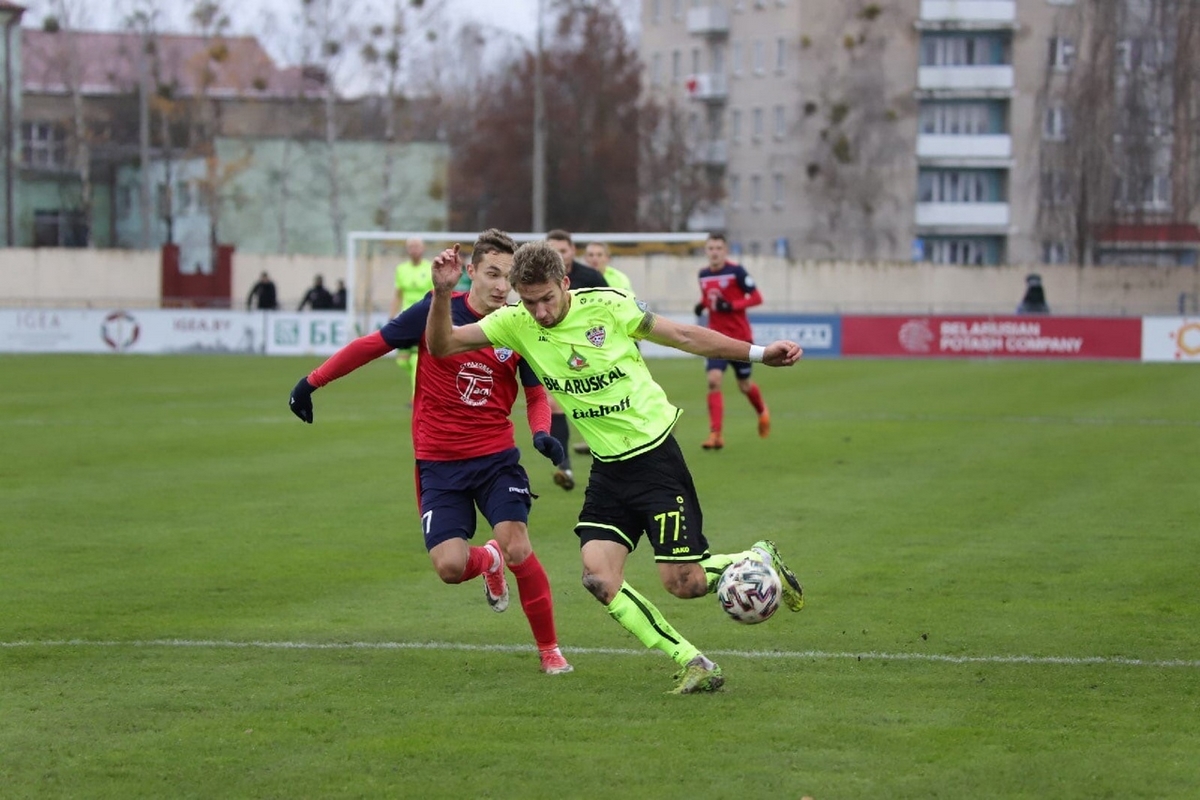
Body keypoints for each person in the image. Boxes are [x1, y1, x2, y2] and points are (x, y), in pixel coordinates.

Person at [426, 240, 806, 695]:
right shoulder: (514, 322)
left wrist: (760, 354)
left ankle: (758, 556)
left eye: (547, 298)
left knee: (682, 583)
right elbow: (443, 344)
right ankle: (693, 661)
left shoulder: (608, 306)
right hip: (608, 470)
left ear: (566, 283)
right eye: (529, 302)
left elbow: (683, 335)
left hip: (654, 458)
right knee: (598, 577)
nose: (541, 312)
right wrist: (443, 294)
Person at [288, 229, 573, 676]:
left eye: (508, 277)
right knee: (450, 566)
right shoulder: (435, 310)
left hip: (496, 459)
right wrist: (312, 382)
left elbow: (535, 394)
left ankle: (550, 650)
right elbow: (372, 345)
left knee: (518, 543)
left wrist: (540, 433)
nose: (502, 286)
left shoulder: (520, 324)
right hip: (438, 463)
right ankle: (489, 560)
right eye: (493, 274)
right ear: (471, 272)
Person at [543, 229, 608, 489]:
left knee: (599, 410)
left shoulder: (591, 277)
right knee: (554, 405)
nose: (559, 255)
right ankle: (565, 468)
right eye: (553, 250)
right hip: (556, 355)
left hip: (591, 355)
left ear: (572, 251)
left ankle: (612, 460)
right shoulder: (539, 279)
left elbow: (608, 314)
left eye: (563, 250)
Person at [694, 233, 770, 451]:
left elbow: (756, 297)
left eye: (718, 248)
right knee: (713, 380)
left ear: (725, 251)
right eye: (710, 248)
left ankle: (762, 411)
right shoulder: (703, 275)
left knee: (744, 386)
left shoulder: (737, 271)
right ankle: (715, 434)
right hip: (715, 338)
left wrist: (732, 305)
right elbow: (710, 298)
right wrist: (702, 305)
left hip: (740, 339)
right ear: (706, 251)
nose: (714, 252)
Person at [389, 237, 436, 398]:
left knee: (415, 359)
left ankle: (417, 395)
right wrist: (391, 315)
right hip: (405, 318)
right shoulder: (401, 269)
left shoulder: (430, 267)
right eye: (411, 246)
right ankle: (423, 385)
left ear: (423, 249)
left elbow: (436, 295)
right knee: (402, 359)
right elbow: (398, 294)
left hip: (423, 319)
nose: (414, 249)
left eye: (417, 246)